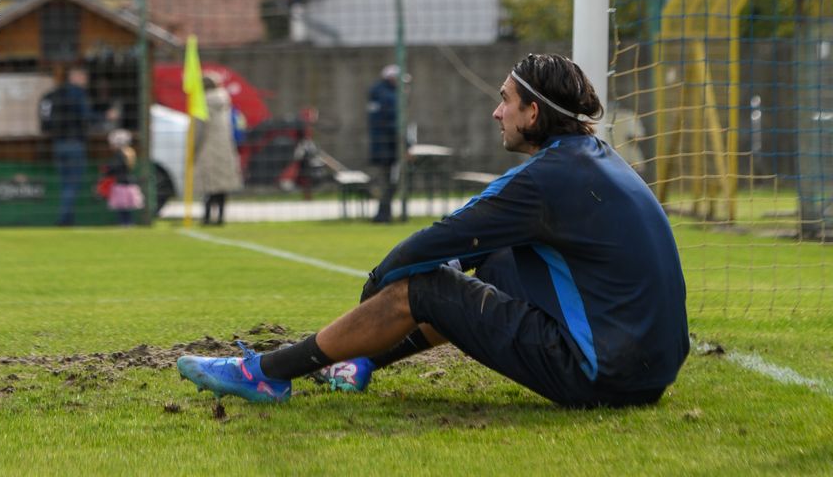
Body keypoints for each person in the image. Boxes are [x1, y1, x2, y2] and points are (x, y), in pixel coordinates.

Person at [178, 54, 690, 409]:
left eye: (506, 100)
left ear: (533, 113)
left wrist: (379, 285)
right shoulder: (600, 159)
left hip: (601, 375)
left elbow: (438, 239)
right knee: (496, 264)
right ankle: (360, 363)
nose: (496, 111)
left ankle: (267, 373)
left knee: (426, 283)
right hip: (653, 373)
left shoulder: (542, 180)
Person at [43, 65, 98, 227]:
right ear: (75, 76)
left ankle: (67, 218)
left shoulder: (54, 94)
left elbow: (45, 115)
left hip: (58, 143)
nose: (86, 80)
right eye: (84, 76)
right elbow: (86, 116)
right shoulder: (79, 94)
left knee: (65, 183)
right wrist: (105, 116)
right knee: (72, 184)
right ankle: (65, 219)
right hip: (74, 143)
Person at [195, 75, 244, 225]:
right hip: (226, 147)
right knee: (222, 186)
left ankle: (207, 217)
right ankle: (221, 217)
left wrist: (193, 148)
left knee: (208, 186)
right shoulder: (225, 100)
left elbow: (199, 130)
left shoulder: (202, 103)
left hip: (207, 148)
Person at [366, 64, 401, 223]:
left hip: (380, 146)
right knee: (391, 182)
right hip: (390, 146)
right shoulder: (389, 97)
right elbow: (394, 124)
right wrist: (406, 145)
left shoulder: (376, 95)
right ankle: (383, 215)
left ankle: (383, 214)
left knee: (386, 181)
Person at [103, 128, 144, 227]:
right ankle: (127, 223)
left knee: (122, 208)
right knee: (125, 208)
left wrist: (108, 170)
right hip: (127, 182)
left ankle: (126, 223)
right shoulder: (129, 153)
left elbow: (115, 167)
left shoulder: (121, 155)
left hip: (121, 184)